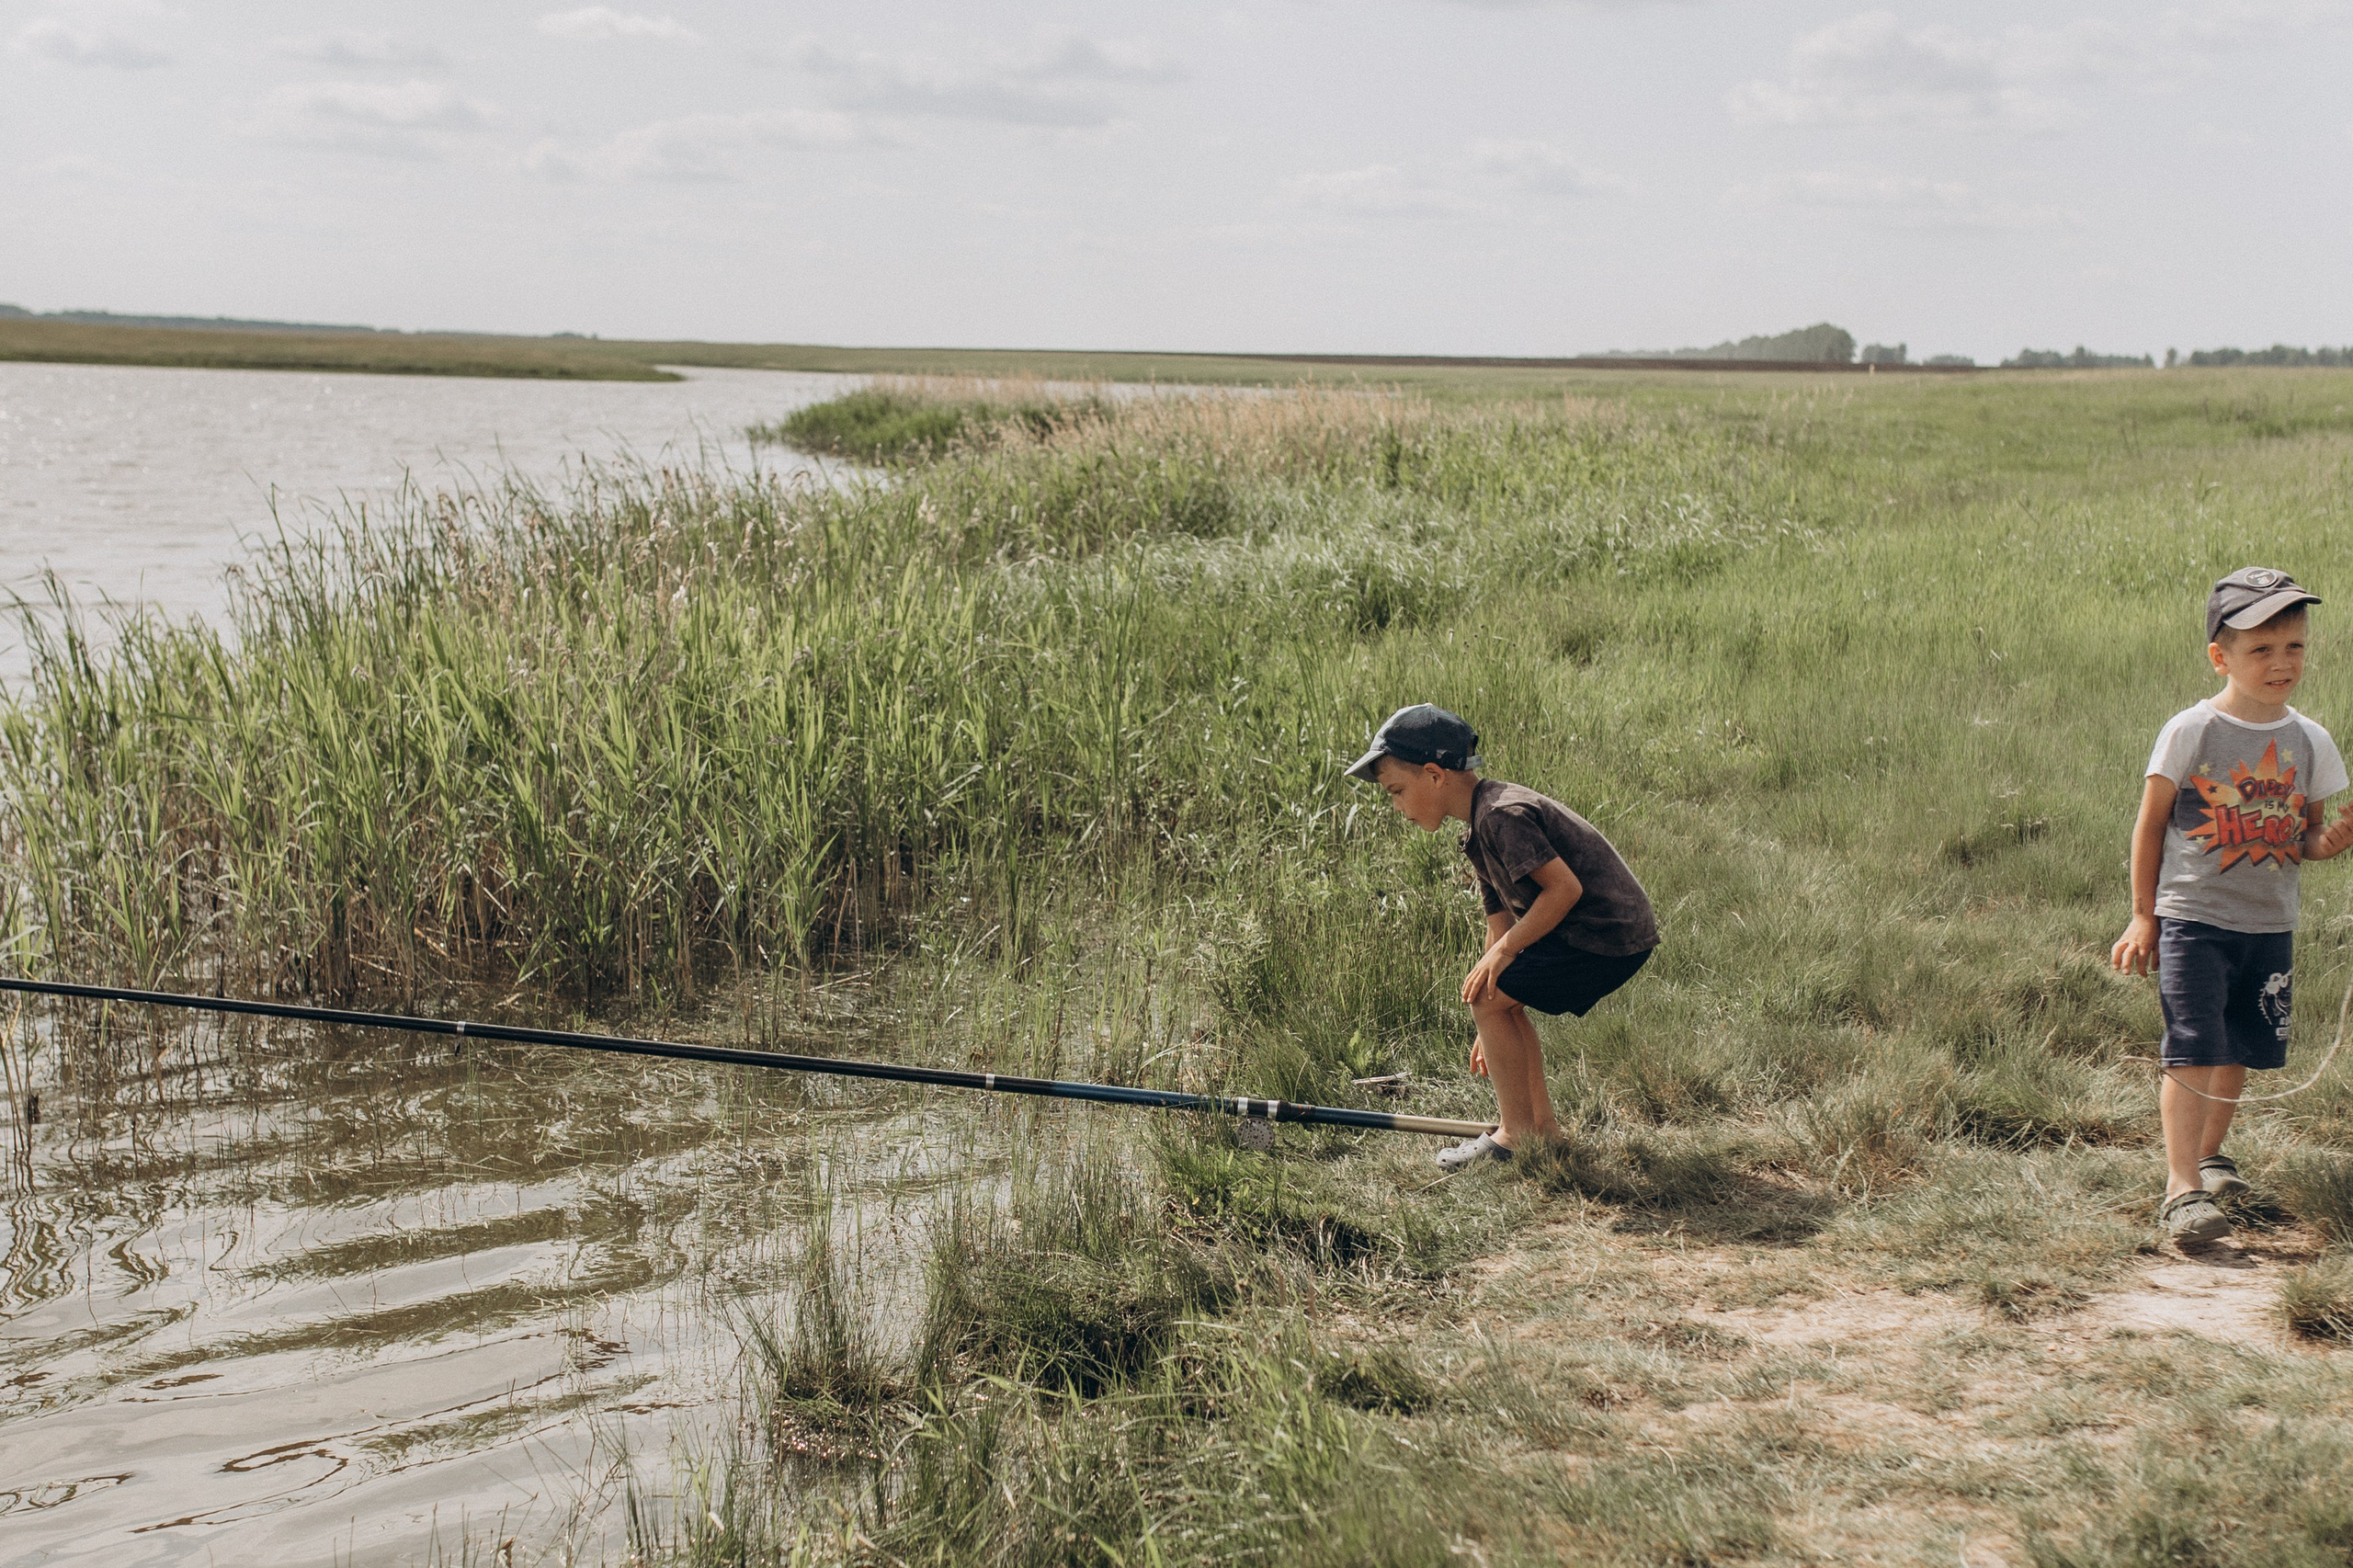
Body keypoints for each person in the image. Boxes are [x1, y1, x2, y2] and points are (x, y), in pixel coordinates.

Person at [2111, 567, 2353, 1243]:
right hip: (2194, 916)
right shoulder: (2192, 730)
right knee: (2193, 1044)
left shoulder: (2311, 741)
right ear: (2221, 657)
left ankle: (2212, 1157)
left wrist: (2330, 842)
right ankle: (2181, 1187)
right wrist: (2143, 914)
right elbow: (2151, 822)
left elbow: (2302, 838)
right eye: (2262, 649)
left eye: (2294, 647)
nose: (2282, 663)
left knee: (2241, 1045)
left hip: (2270, 923)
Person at [1347, 704, 1658, 1168]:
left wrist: (1499, 977)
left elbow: (1564, 890)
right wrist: (1491, 1014)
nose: (1396, 807)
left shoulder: (1500, 815)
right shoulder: (1478, 828)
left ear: (1434, 775)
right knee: (1493, 999)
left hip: (1605, 932)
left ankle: (1514, 1136)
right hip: (1595, 931)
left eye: (1396, 790)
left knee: (1492, 1001)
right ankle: (1542, 1133)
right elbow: (1501, 924)